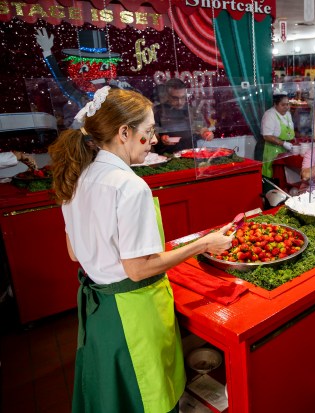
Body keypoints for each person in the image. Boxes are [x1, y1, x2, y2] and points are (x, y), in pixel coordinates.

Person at [47, 87, 233, 413]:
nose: (155, 140)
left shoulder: (76, 177)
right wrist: (203, 243)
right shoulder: (130, 186)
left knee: (113, 399)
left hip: (101, 313)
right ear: (124, 133)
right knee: (149, 396)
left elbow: (75, 253)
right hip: (133, 314)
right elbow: (137, 268)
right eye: (148, 132)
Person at [153, 78, 211, 154]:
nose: (179, 102)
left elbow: (201, 128)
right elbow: (151, 135)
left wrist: (206, 134)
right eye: (175, 98)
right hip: (166, 156)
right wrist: (161, 139)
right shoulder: (158, 111)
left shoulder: (193, 111)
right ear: (167, 96)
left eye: (183, 97)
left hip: (190, 155)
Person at [261, 92, 295, 178]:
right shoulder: (270, 115)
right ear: (275, 104)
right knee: (273, 172)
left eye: (287, 104)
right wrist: (283, 143)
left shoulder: (288, 114)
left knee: (285, 175)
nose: (286, 107)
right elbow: (266, 136)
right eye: (283, 105)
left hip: (287, 149)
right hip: (273, 150)